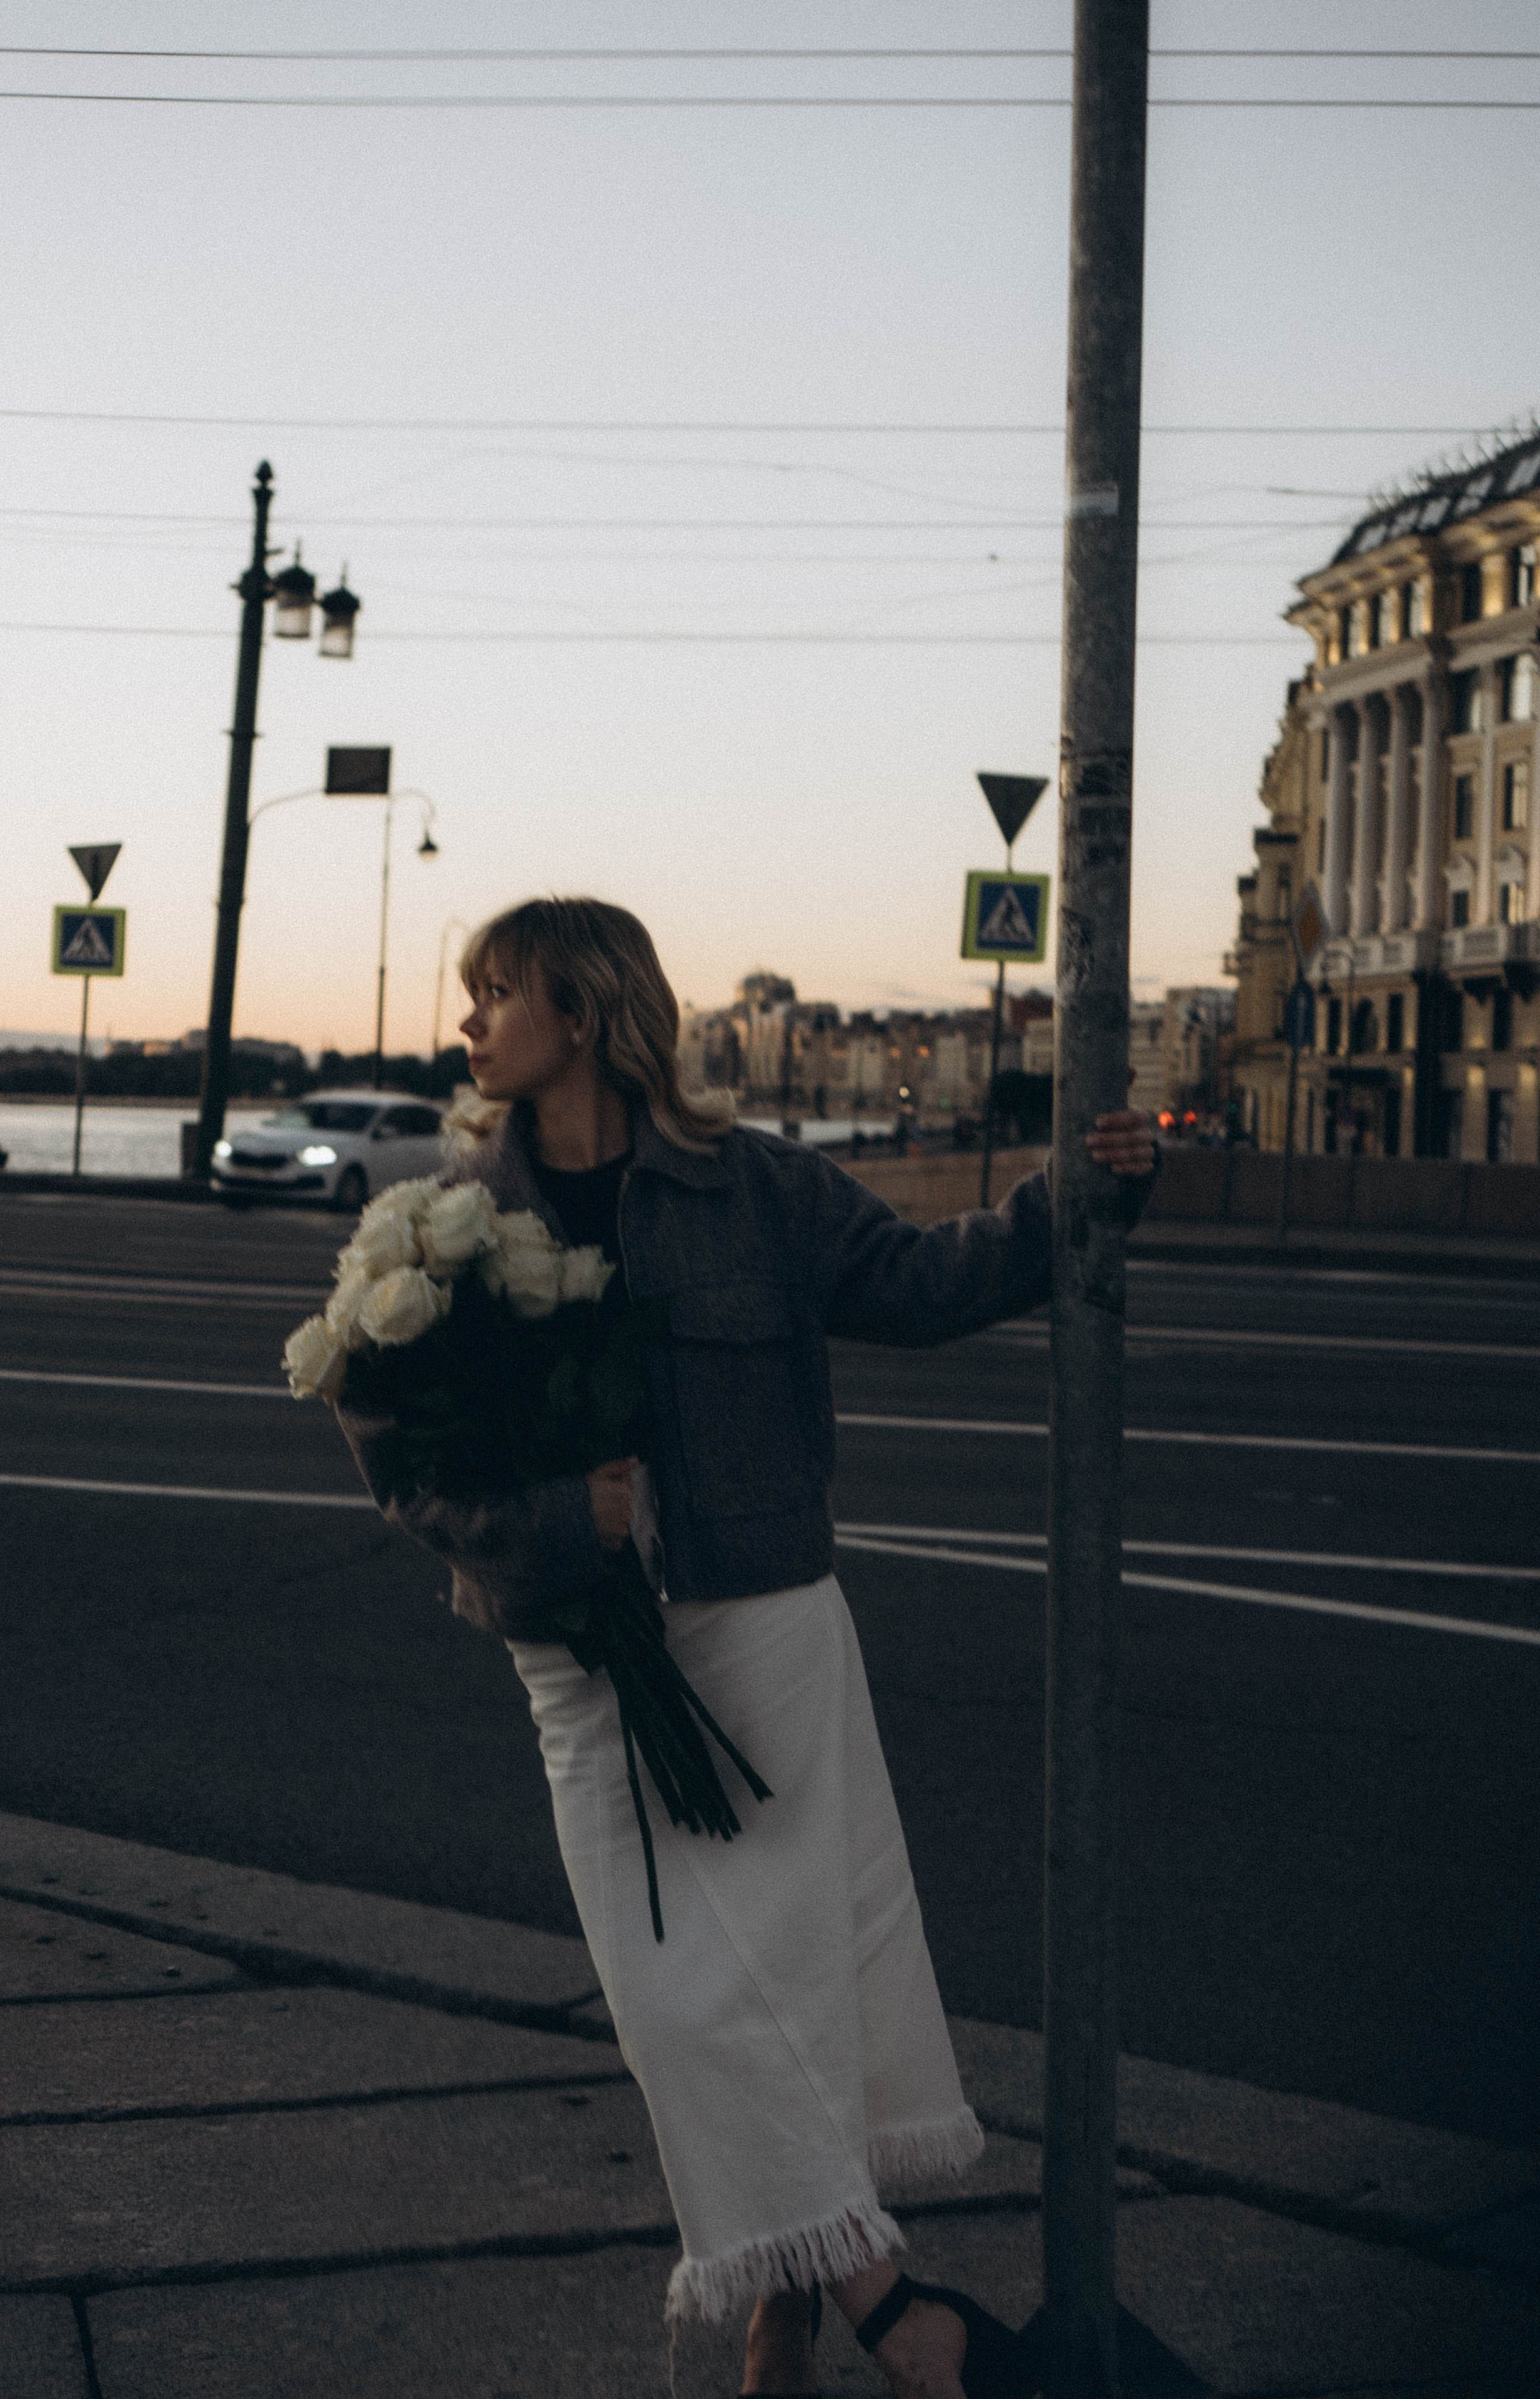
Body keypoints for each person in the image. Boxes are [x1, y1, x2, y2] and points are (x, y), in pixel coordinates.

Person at [337, 896, 1156, 2399]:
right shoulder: (441, 1222)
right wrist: (551, 1519)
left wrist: (1070, 1201)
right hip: (578, 1659)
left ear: (579, 1015)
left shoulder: (759, 1189)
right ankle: (894, 2314)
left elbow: (924, 1284)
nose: (468, 1023)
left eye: (496, 992)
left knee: (791, 1982)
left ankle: (784, 2310)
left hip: (764, 1626)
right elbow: (403, 1462)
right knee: (672, 2001)